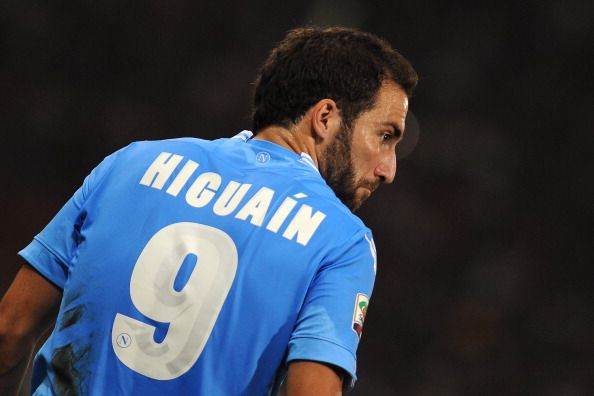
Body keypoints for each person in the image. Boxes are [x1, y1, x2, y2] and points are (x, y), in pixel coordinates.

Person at [0, 26, 417, 395]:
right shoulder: (342, 240)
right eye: (385, 136)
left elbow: (9, 330)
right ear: (325, 117)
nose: (389, 169)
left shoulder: (129, 164)